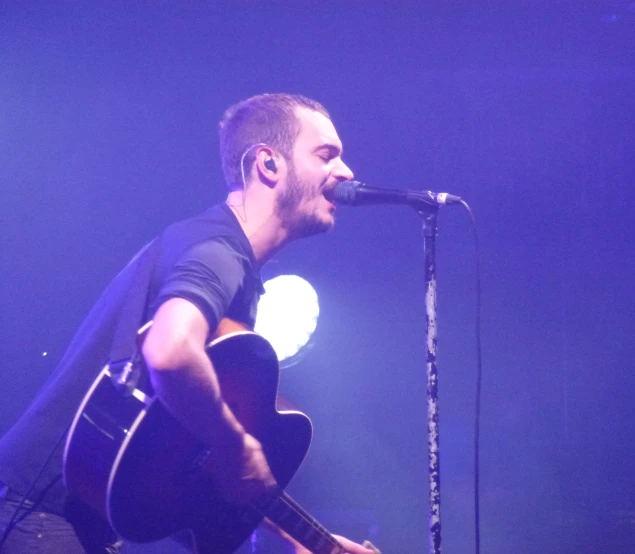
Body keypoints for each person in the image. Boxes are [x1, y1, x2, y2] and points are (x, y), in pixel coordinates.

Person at [0, 93, 375, 554]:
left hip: (75, 521)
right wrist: (235, 446)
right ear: (268, 165)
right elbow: (171, 352)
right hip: (36, 515)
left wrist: (310, 540)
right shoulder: (218, 250)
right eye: (326, 155)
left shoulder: (235, 273)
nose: (346, 172)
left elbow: (196, 446)